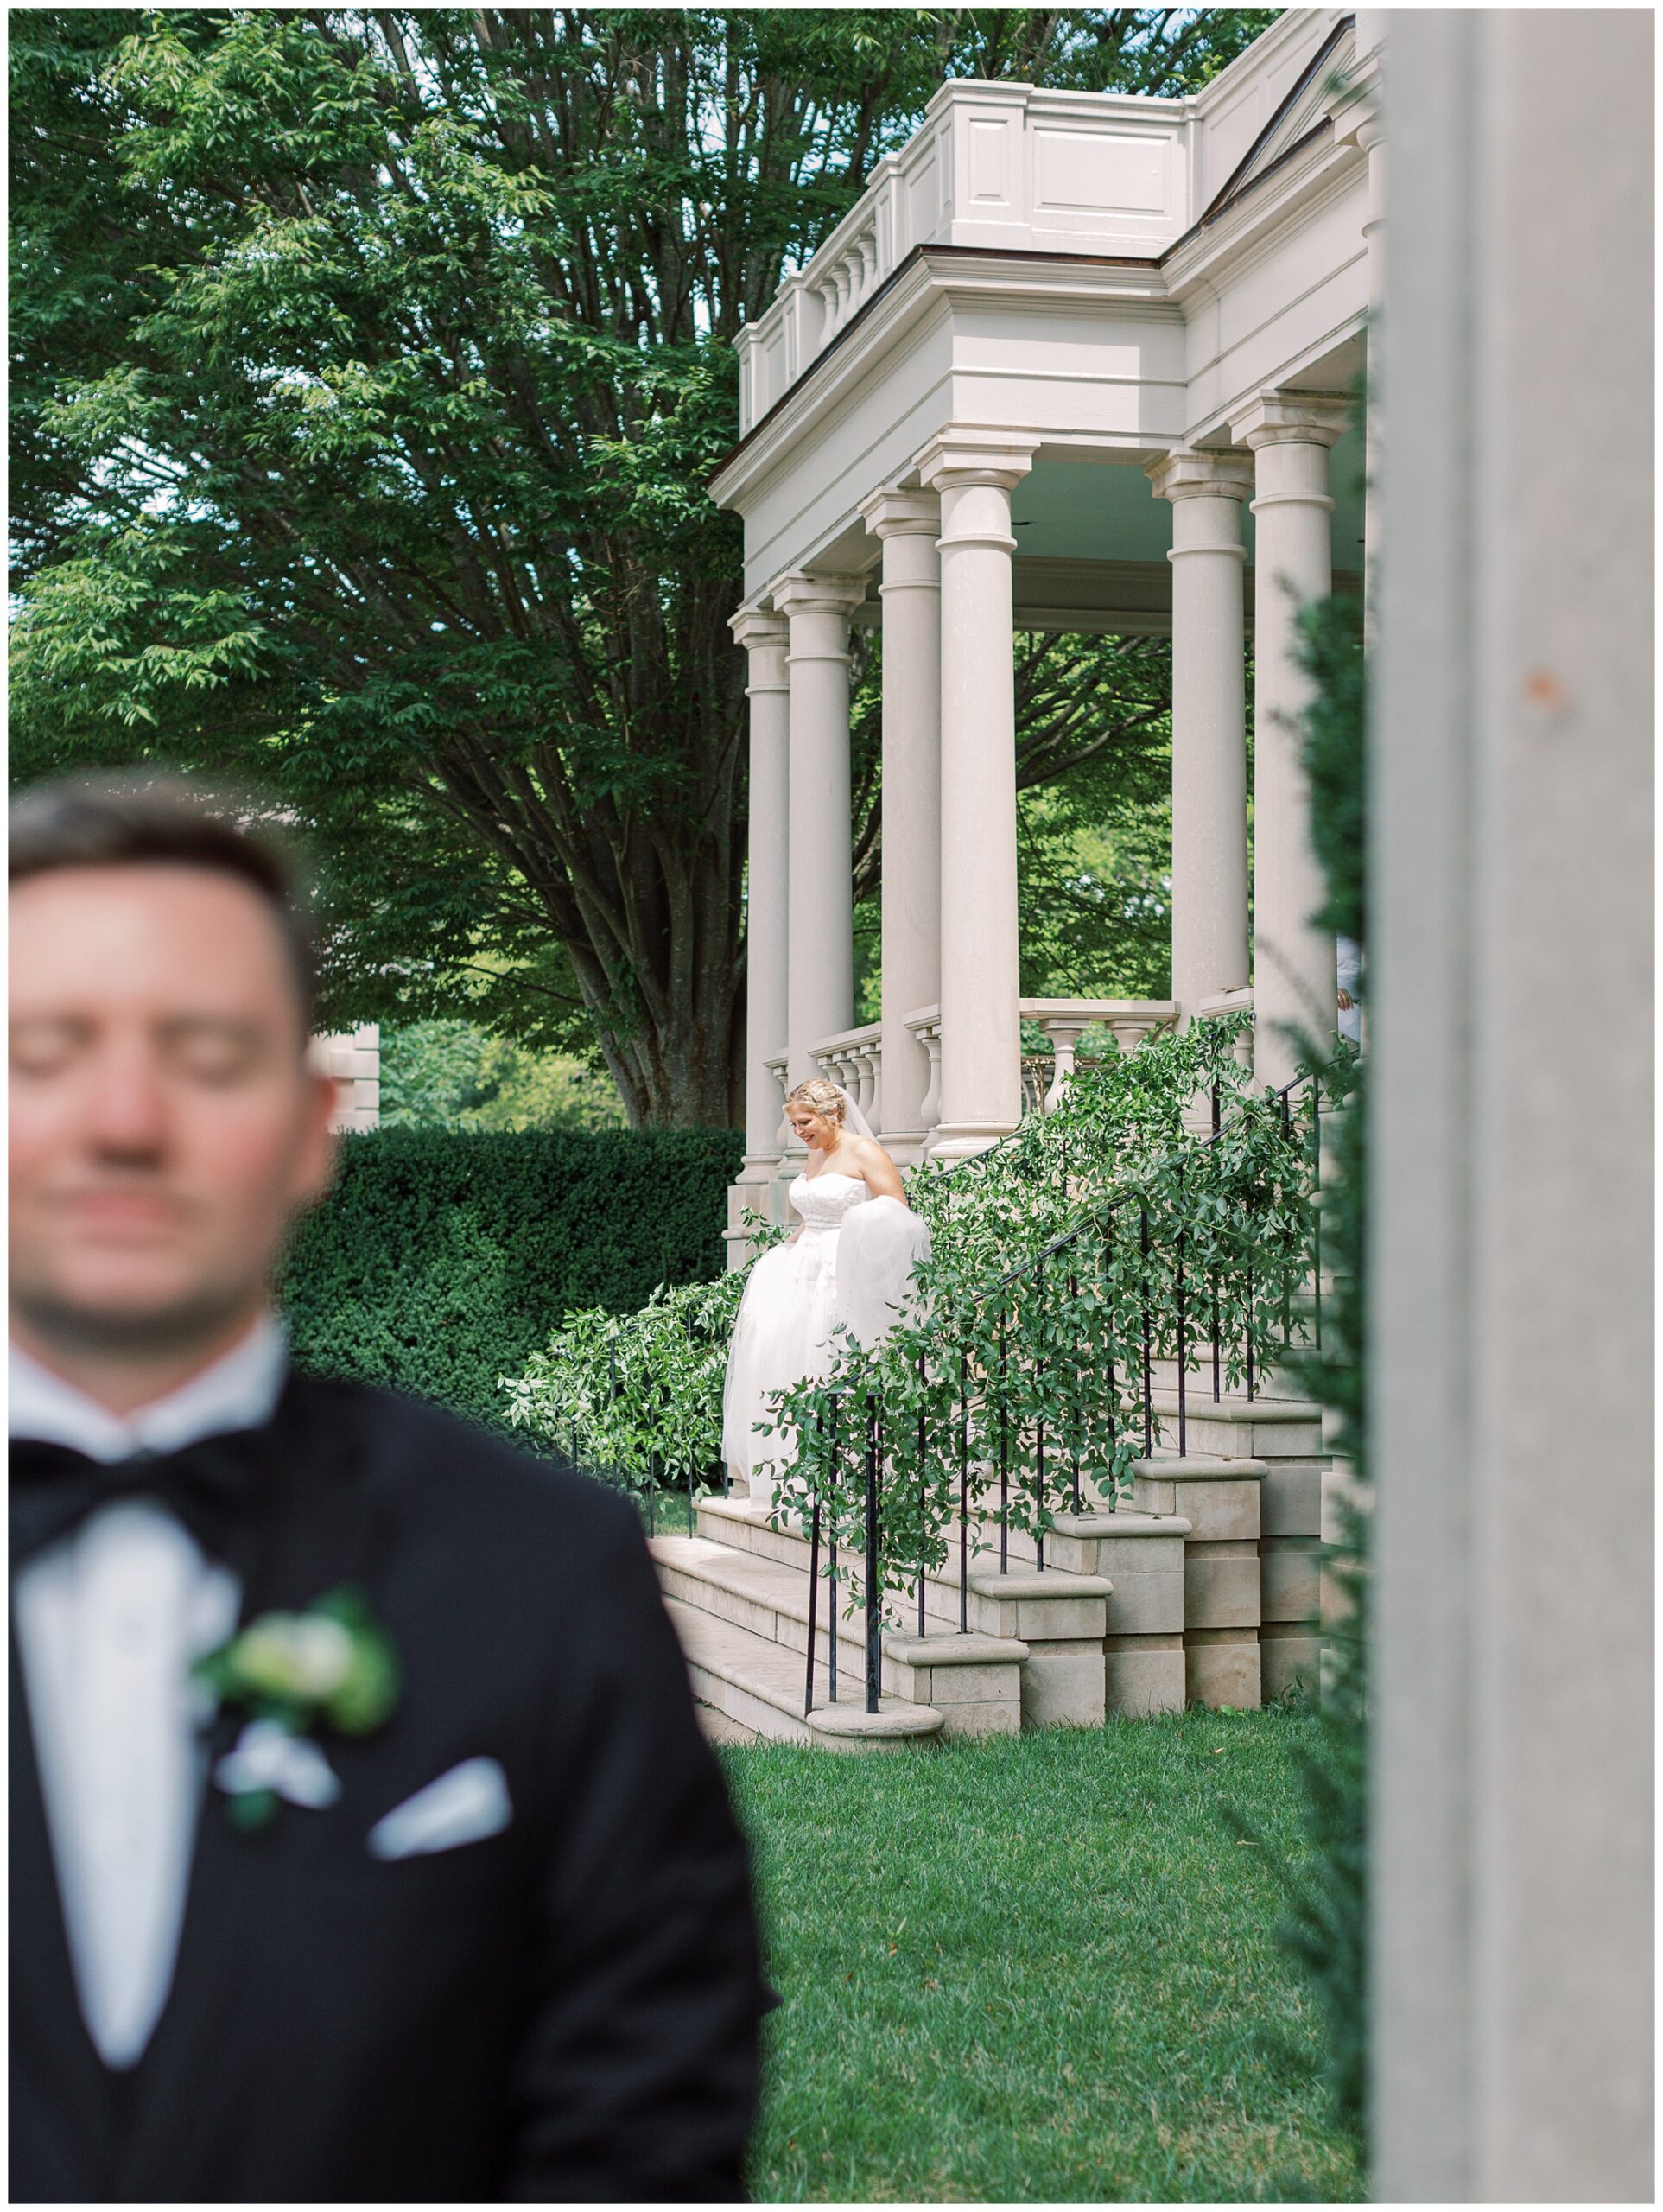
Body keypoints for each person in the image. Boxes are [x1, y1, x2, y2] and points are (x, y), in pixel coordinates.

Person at [9, 776, 765, 2204]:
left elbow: (647, 2137)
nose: (123, 1120)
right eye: (43, 1051)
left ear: (310, 1126)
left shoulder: (549, 1571)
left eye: (206, 1054)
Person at [720, 1078, 929, 1507]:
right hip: (804, 1268)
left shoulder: (866, 1151)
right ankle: (795, 1470)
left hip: (845, 1267)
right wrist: (787, 1250)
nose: (799, 1132)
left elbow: (897, 1209)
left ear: (832, 1114)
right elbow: (814, 1212)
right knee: (790, 1363)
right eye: (794, 1124)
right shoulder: (816, 1153)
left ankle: (850, 1469)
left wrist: (855, 1228)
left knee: (833, 1360)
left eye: (805, 1122)